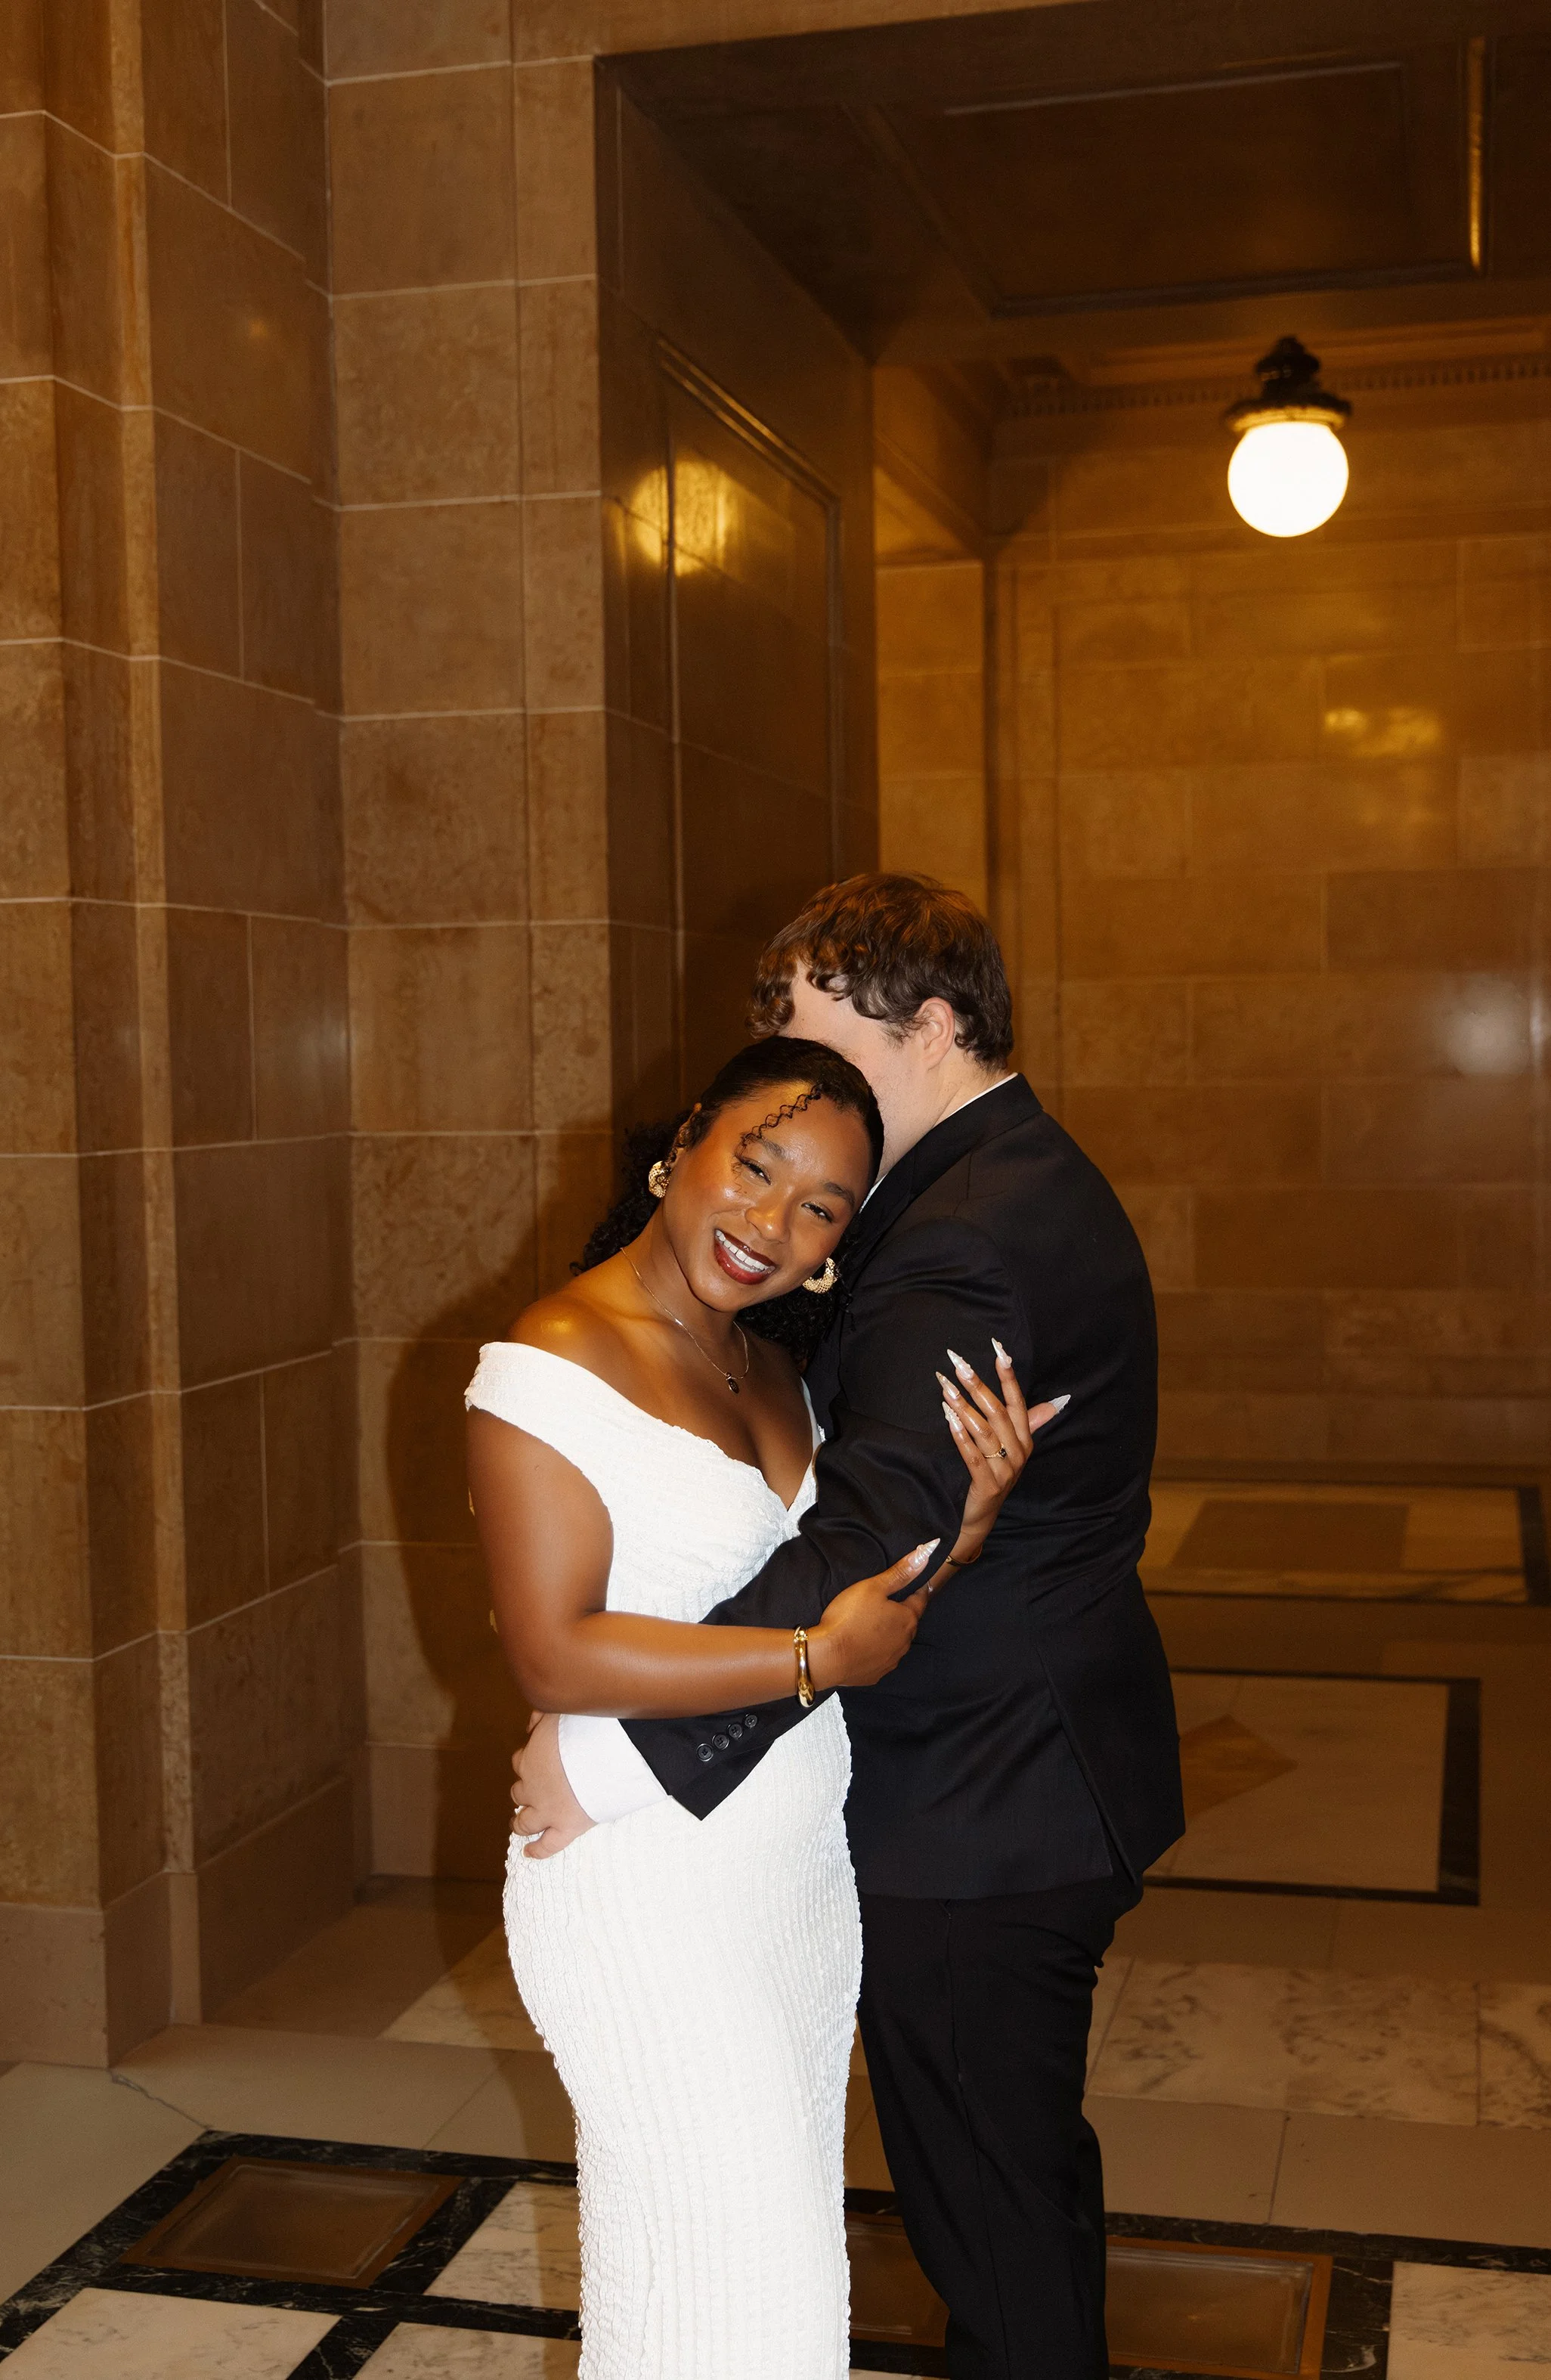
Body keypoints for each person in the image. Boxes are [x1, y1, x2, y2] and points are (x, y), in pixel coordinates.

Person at [512, 875, 1185, 2380]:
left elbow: (874, 1540)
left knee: (995, 2221)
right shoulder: (1002, 1179)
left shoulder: (966, 1233)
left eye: (821, 1036)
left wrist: (621, 1753)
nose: (806, 1082)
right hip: (1031, 1771)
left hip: (982, 1801)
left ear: (933, 1024)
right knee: (1017, 2188)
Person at [465, 1036, 1057, 2380]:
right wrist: (806, 1660)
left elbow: (849, 1606)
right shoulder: (550, 1358)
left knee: (758, 2295)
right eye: (758, 1164)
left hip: (785, 1882)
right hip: (643, 1895)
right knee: (735, 2298)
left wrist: (967, 1523)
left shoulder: (778, 1373)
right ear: (686, 1146)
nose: (771, 1223)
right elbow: (554, 1654)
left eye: (820, 1208)